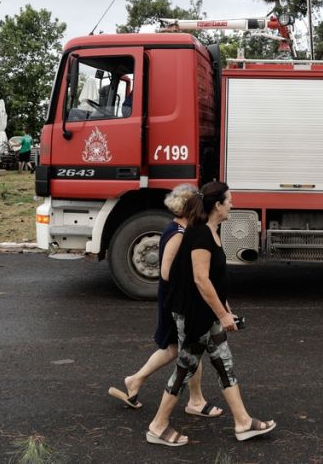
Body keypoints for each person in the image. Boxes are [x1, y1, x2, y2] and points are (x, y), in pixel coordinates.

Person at [145, 181, 276, 447]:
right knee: (184, 370)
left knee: (224, 364)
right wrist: (223, 315)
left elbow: (214, 280)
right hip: (196, 316)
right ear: (217, 205)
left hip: (209, 314)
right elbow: (201, 280)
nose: (232, 204)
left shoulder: (212, 230)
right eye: (229, 200)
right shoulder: (200, 234)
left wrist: (225, 309)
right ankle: (157, 426)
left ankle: (242, 422)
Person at [107, 185, 222, 418]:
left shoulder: (180, 229)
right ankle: (195, 401)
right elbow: (167, 272)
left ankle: (135, 381)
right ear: (189, 209)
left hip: (175, 299)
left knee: (174, 348)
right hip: (174, 301)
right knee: (187, 346)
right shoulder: (178, 235)